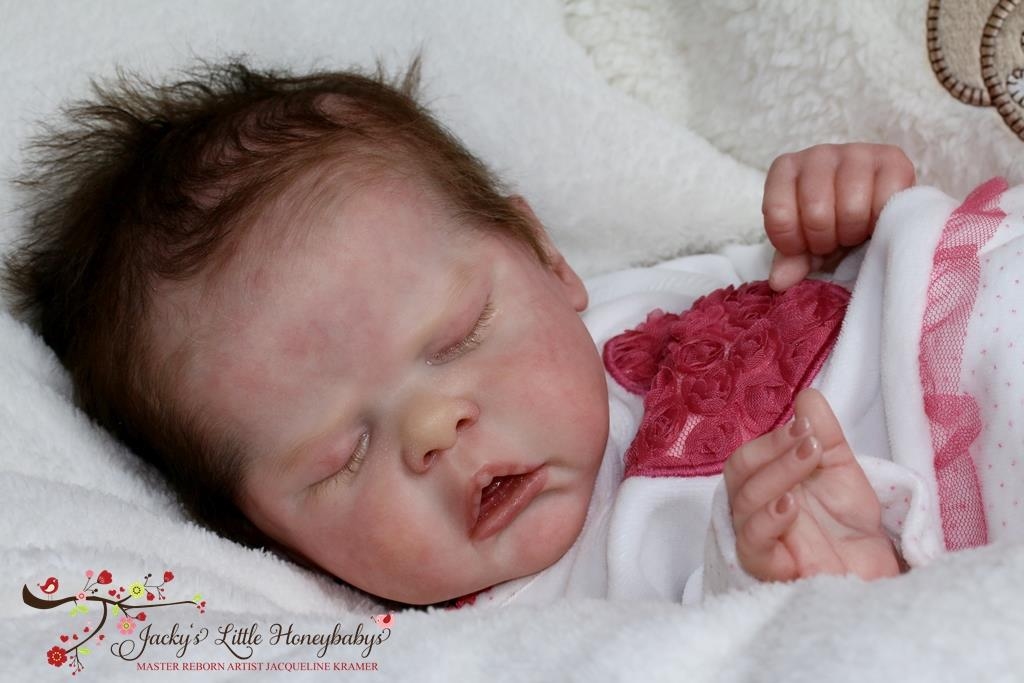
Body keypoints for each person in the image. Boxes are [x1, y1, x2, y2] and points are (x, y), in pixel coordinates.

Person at [0, 60, 982, 608]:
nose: (434, 426)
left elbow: (804, 268)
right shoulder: (506, 628)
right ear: (267, 539)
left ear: (546, 258)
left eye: (458, 334)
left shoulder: (616, 308)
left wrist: (840, 205)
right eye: (341, 456)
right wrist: (787, 585)